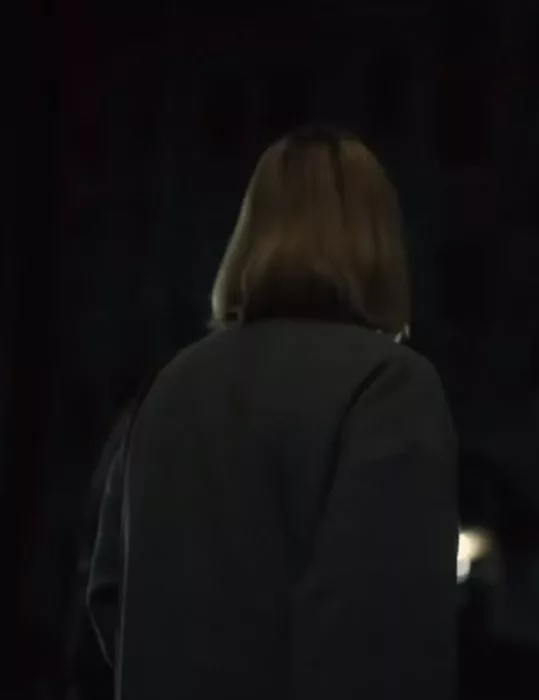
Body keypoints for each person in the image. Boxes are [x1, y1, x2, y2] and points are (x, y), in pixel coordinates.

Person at [87, 124, 458, 700]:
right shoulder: (389, 386)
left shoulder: (169, 385)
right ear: (379, 239)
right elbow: (380, 629)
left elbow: (109, 590)